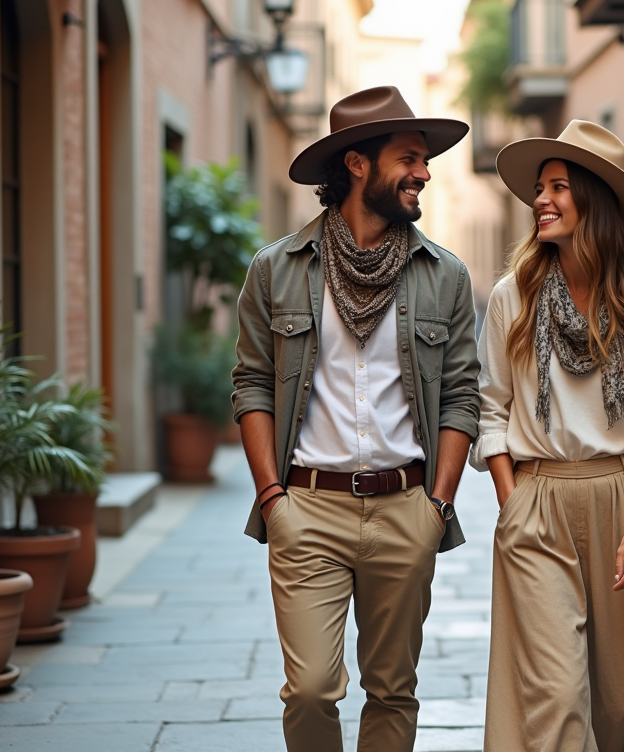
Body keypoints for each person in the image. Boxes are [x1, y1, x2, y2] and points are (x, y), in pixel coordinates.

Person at [231, 86, 481, 752]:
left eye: (424, 160)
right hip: (308, 507)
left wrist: (438, 504)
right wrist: (272, 499)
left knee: (393, 689)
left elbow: (462, 392)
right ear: (358, 164)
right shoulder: (276, 271)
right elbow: (252, 385)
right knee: (311, 689)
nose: (424, 172)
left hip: (407, 506)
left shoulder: (444, 275)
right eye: (409, 157)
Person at [472, 120, 624, 752]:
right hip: (537, 503)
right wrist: (512, 502)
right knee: (556, 699)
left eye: (559, 187)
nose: (541, 200)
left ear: (593, 200)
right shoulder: (511, 298)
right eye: (540, 188)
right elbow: (490, 407)